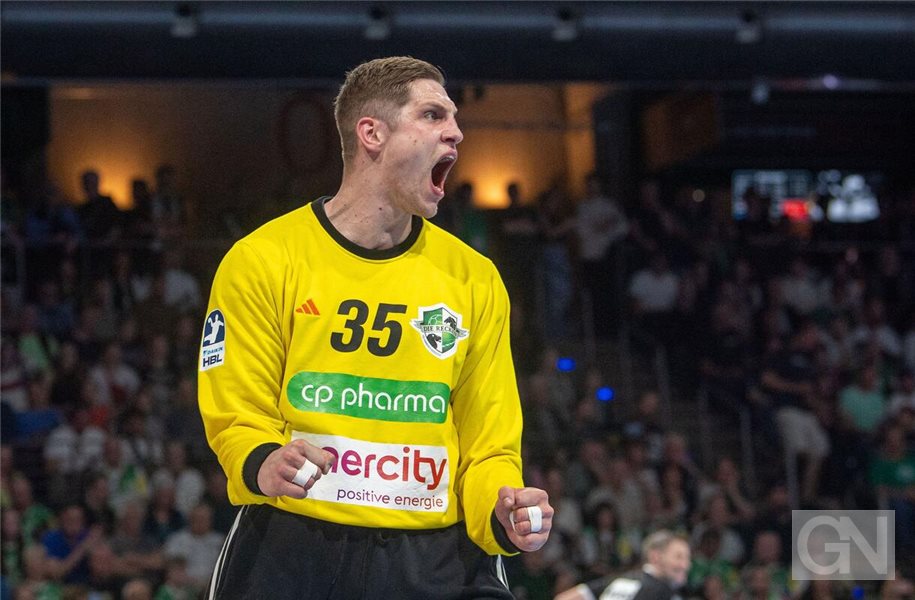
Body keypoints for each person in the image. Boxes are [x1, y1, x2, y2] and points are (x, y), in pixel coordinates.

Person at [198, 56, 553, 599]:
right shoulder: (263, 259)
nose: (456, 132)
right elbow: (237, 412)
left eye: (454, 119)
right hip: (294, 547)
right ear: (372, 133)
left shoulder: (475, 278)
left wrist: (502, 508)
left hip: (436, 558)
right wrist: (263, 460)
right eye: (434, 115)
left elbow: (489, 447)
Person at [555, 529, 691, 600]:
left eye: (687, 558)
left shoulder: (620, 580)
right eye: (678, 557)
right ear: (655, 556)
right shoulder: (661, 591)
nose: (685, 565)